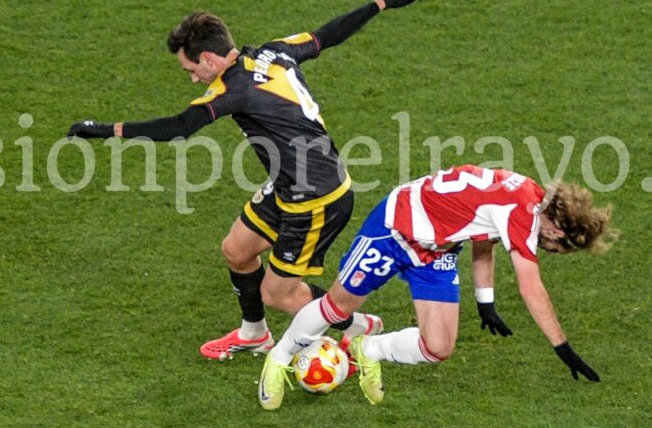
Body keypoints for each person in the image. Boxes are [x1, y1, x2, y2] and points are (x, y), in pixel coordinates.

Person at [68, 0, 431, 359]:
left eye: (191, 70)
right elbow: (329, 35)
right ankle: (254, 333)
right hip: (288, 184)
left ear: (208, 59)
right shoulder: (275, 52)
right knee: (237, 250)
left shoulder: (233, 88)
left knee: (278, 294)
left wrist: (106, 130)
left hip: (317, 198)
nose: (193, 79)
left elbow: (179, 129)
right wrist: (384, 2)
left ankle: (358, 327)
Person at [257, 164, 617, 410]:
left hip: (437, 249)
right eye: (559, 247)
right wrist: (562, 347)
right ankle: (279, 359)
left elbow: (483, 237)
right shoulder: (521, 216)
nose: (552, 251)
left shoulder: (528, 194)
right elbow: (531, 288)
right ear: (557, 229)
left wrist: (485, 300)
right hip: (395, 229)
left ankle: (370, 348)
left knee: (439, 347)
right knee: (338, 307)